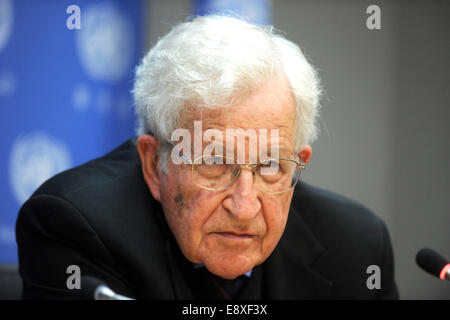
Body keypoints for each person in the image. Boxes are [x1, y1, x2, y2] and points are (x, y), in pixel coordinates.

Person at [16, 15, 398, 299]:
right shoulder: (75, 225)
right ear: (153, 163)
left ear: (299, 160)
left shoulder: (356, 247)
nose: (245, 207)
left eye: (270, 166)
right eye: (215, 162)